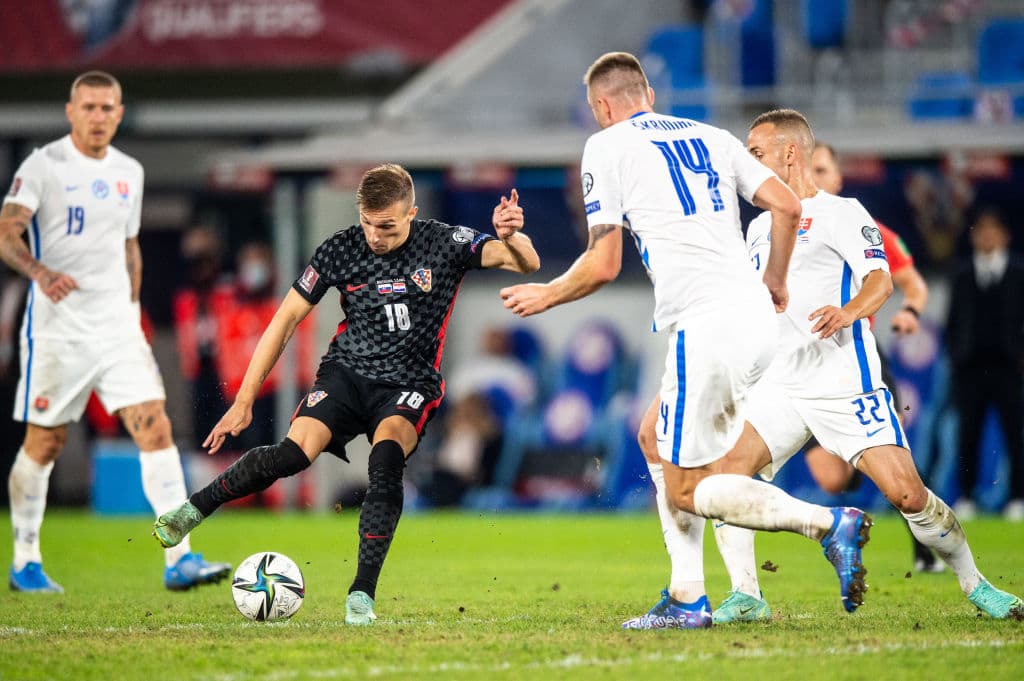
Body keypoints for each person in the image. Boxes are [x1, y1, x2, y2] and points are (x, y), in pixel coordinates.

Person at [501, 52, 872, 629]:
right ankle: (687, 594)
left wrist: (548, 293)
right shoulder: (712, 136)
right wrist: (774, 277)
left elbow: (603, 263)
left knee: (685, 489)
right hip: (752, 318)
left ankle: (828, 525)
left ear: (601, 106)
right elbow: (789, 205)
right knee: (653, 436)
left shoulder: (606, 145)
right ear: (647, 91)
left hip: (705, 323)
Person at [152, 164, 540, 625]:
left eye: (388, 226)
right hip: (346, 374)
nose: (376, 235)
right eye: (368, 223)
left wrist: (512, 236)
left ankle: (361, 594)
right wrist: (244, 399)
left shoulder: (443, 242)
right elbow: (285, 318)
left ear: (411, 214)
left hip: (408, 383)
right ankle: (194, 510)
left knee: (386, 460)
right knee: (292, 455)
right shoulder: (340, 249)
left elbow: (525, 263)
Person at [704, 109, 1022, 624]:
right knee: (724, 478)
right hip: (780, 384)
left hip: (843, 381)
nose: (748, 163)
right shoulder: (760, 226)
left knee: (906, 492)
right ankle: (747, 595)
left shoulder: (843, 213)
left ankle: (977, 585)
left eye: (755, 153)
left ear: (789, 153)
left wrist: (848, 312)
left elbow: (882, 281)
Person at [0, 71, 230, 592]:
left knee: (156, 427)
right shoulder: (44, 165)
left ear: (119, 113)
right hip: (58, 332)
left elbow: (129, 245)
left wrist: (131, 305)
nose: (99, 117)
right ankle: (25, 560)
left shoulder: (130, 171)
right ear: (71, 111)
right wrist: (39, 272)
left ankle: (180, 557)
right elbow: (7, 233)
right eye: (89, 108)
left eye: (108, 108)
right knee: (45, 442)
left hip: (118, 329)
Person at [809, 142, 942, 571]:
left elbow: (912, 283)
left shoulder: (866, 227)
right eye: (808, 170)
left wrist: (910, 310)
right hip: (804, 362)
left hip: (858, 356)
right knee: (832, 479)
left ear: (837, 178)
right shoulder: (785, 227)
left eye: (822, 169)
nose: (814, 178)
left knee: (893, 459)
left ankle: (929, 548)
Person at [946, 209, 1024, 522]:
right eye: (981, 230)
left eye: (994, 230)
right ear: (973, 236)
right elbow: (952, 322)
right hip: (971, 369)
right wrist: (956, 357)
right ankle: (966, 496)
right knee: (967, 435)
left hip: (1011, 368)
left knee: (1015, 434)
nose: (987, 236)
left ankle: (1018, 498)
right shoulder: (962, 273)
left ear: (1005, 235)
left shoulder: (1019, 272)